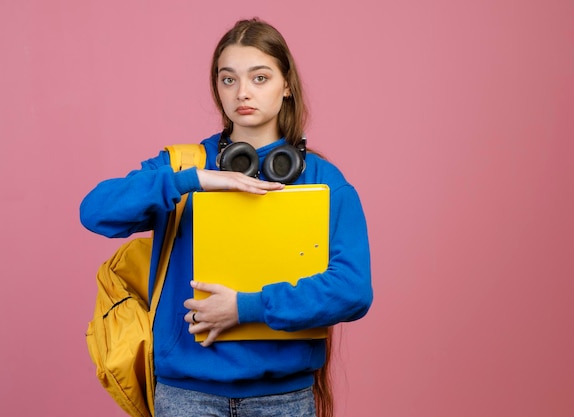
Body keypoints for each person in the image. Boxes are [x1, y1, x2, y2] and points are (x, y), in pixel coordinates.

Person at [80, 18, 372, 417]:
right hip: (185, 396)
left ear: (286, 85)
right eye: (228, 79)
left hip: (283, 399)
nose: (243, 92)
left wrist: (244, 308)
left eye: (260, 77)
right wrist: (194, 179)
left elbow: (352, 290)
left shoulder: (323, 181)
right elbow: (95, 212)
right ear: (217, 88)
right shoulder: (184, 167)